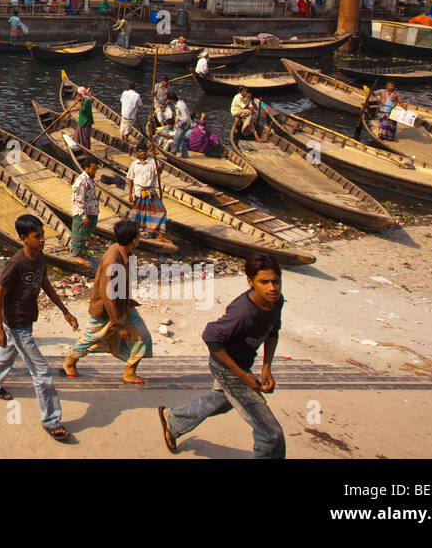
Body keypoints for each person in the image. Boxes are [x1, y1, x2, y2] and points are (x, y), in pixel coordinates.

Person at [158, 255, 286, 459]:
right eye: (264, 282)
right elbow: (210, 337)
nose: (272, 288)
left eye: (276, 281)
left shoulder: (276, 301)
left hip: (242, 364)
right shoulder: (243, 313)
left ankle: (173, 420)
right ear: (250, 282)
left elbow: (273, 332)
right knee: (270, 433)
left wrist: (266, 367)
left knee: (221, 399)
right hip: (227, 368)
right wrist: (243, 376)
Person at [0, 213, 78, 443]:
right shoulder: (17, 263)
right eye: (37, 236)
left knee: (9, 351)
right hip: (16, 322)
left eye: (43, 235)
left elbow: (45, 283)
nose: (43, 240)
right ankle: (52, 421)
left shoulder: (39, 257)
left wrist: (64, 310)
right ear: (24, 238)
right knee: (41, 371)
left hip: (27, 317)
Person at [63, 218, 152, 384]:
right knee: (93, 338)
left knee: (143, 336)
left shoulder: (122, 251)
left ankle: (130, 371)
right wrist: (119, 323)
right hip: (108, 311)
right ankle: (70, 362)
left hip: (122, 307)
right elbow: (108, 296)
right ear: (134, 240)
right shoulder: (113, 260)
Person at [126, 144, 169, 242]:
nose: (143, 153)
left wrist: (159, 170)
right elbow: (130, 179)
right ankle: (136, 233)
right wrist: (129, 194)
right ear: (138, 153)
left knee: (162, 211)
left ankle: (161, 235)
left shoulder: (153, 162)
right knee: (138, 214)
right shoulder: (134, 164)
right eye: (141, 151)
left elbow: (159, 173)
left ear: (147, 151)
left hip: (151, 192)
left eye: (144, 151)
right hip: (138, 192)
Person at [70, 159, 100, 257]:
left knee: (86, 232)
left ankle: (82, 250)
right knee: (79, 233)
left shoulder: (89, 179)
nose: (94, 172)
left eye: (96, 170)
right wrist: (84, 216)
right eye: (93, 169)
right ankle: (76, 255)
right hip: (83, 212)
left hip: (92, 209)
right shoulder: (81, 181)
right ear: (86, 168)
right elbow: (79, 199)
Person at [69, 83, 94, 149]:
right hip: (82, 121)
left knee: (85, 138)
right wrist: (70, 110)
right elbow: (79, 108)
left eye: (78, 93)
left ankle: (87, 150)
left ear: (81, 93)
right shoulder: (84, 99)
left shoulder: (87, 100)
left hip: (86, 121)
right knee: (76, 135)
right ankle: (77, 147)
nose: (77, 95)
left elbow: (82, 110)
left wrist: (80, 102)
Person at [170, 90, 192, 157]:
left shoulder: (180, 106)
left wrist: (181, 123)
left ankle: (173, 153)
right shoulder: (178, 103)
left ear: (172, 99)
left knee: (177, 138)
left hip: (184, 124)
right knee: (181, 138)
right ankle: (185, 154)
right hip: (181, 122)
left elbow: (186, 118)